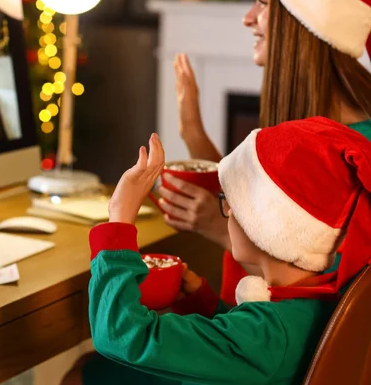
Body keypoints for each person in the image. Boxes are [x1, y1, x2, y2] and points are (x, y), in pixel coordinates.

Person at [76, 118, 371, 385]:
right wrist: (202, 304)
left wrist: (120, 216)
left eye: (237, 203)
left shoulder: (267, 337)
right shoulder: (310, 307)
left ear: (272, 227)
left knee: (82, 373)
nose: (227, 209)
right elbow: (239, 354)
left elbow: (118, 335)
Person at [158, 0, 371, 305]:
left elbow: (322, 297)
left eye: (261, 2)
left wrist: (218, 227)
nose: (248, 18)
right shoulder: (310, 133)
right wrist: (192, 131)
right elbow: (253, 203)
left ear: (302, 21)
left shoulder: (354, 154)